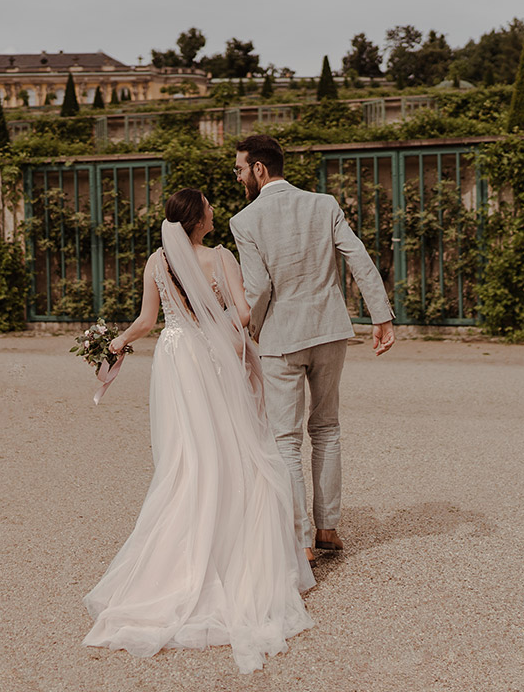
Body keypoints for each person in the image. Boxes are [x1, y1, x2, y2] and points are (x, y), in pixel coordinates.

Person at [83, 188, 315, 675]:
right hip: (209, 357)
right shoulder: (219, 257)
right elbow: (246, 314)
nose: (214, 209)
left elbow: (148, 320)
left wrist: (113, 343)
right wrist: (222, 323)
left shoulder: (156, 261)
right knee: (231, 447)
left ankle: (175, 557)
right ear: (199, 220)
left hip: (175, 360)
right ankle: (230, 552)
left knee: (187, 456)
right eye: (209, 206)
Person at [229, 134, 395, 566]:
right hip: (329, 331)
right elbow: (358, 257)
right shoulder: (324, 204)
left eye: (240, 169)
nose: (239, 177)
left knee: (285, 441)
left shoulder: (245, 221)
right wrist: (382, 316)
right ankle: (328, 528)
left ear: (259, 169)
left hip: (282, 339)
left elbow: (259, 287)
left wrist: (256, 328)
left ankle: (301, 540)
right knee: (326, 429)